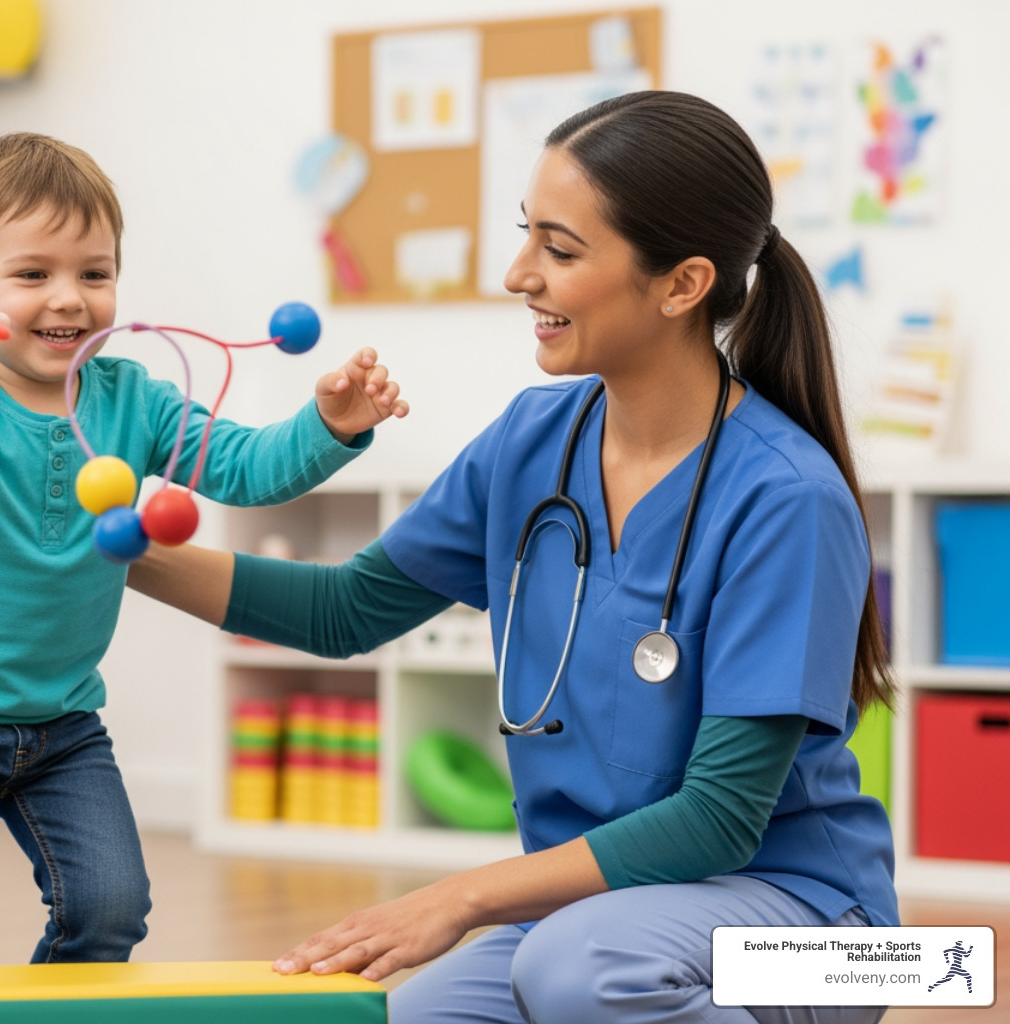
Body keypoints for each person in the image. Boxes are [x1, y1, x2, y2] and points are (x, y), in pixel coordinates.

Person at [126, 91, 896, 1023]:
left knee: (578, 970)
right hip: (600, 914)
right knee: (421, 1015)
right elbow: (347, 611)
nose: (516, 273)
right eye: (527, 234)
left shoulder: (786, 499)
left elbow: (720, 820)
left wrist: (459, 897)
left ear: (682, 284)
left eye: (560, 251)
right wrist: (115, 558)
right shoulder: (535, 441)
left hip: (826, 937)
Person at [0, 132, 409, 969]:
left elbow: (246, 469)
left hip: (61, 724)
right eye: (33, 274)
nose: (70, 298)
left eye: (94, 273)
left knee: (112, 909)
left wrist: (332, 425)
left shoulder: (136, 399)